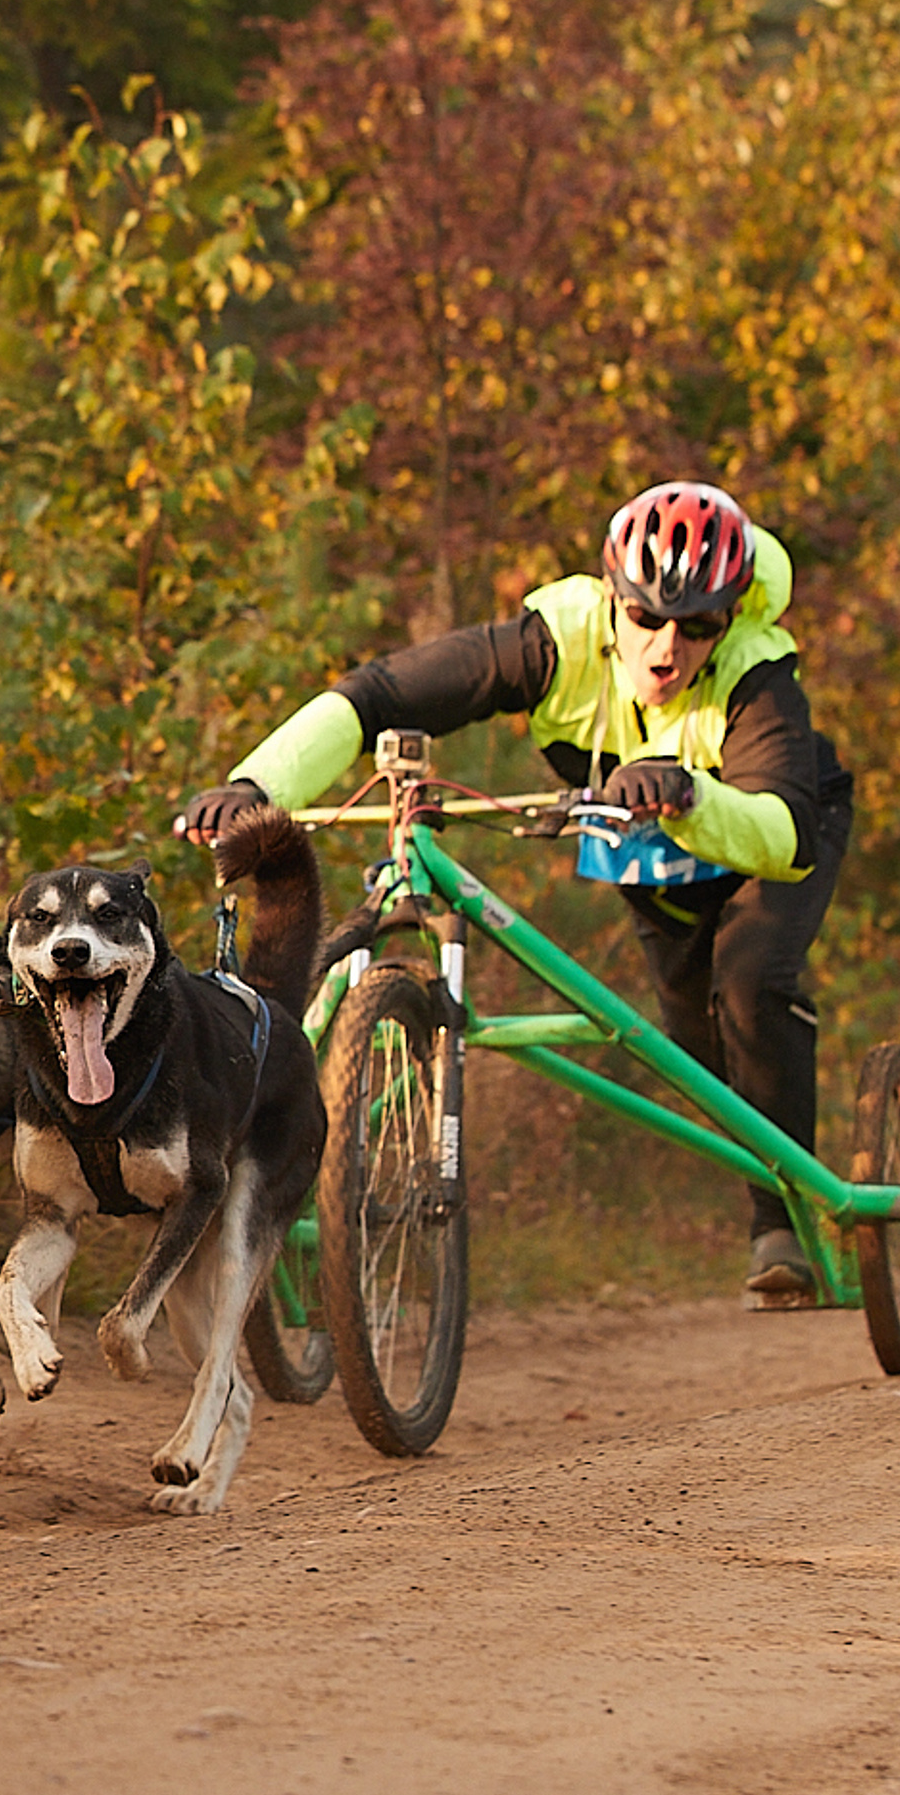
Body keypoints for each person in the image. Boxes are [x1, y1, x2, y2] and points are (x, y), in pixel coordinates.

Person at [183, 481, 853, 1304]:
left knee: (748, 985)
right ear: (613, 599)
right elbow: (377, 696)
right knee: (691, 1039)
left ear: (732, 616)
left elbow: (785, 832)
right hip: (656, 856)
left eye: (699, 625)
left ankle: (780, 1223)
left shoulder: (759, 672)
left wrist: (689, 793)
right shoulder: (555, 640)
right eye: (645, 617)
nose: (667, 647)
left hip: (767, 843)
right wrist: (254, 782)